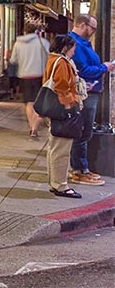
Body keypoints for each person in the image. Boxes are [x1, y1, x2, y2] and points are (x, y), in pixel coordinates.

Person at [68, 14, 115, 186]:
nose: (93, 31)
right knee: (81, 132)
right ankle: (79, 170)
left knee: (85, 132)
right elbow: (83, 69)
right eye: (92, 28)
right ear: (82, 25)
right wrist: (104, 67)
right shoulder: (75, 44)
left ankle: (82, 168)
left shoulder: (82, 43)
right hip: (85, 93)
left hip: (89, 92)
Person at [44, 35, 84, 199]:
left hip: (54, 110)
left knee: (54, 148)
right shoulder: (61, 62)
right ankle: (60, 185)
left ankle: (55, 182)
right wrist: (71, 105)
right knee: (61, 150)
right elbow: (62, 87)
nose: (74, 52)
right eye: (73, 48)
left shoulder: (52, 59)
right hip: (62, 111)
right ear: (65, 47)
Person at [9, 23, 50, 138]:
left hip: (24, 76)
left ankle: (32, 127)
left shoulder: (18, 43)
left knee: (29, 103)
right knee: (39, 103)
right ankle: (35, 127)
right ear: (37, 31)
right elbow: (50, 57)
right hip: (40, 76)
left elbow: (13, 60)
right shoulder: (43, 42)